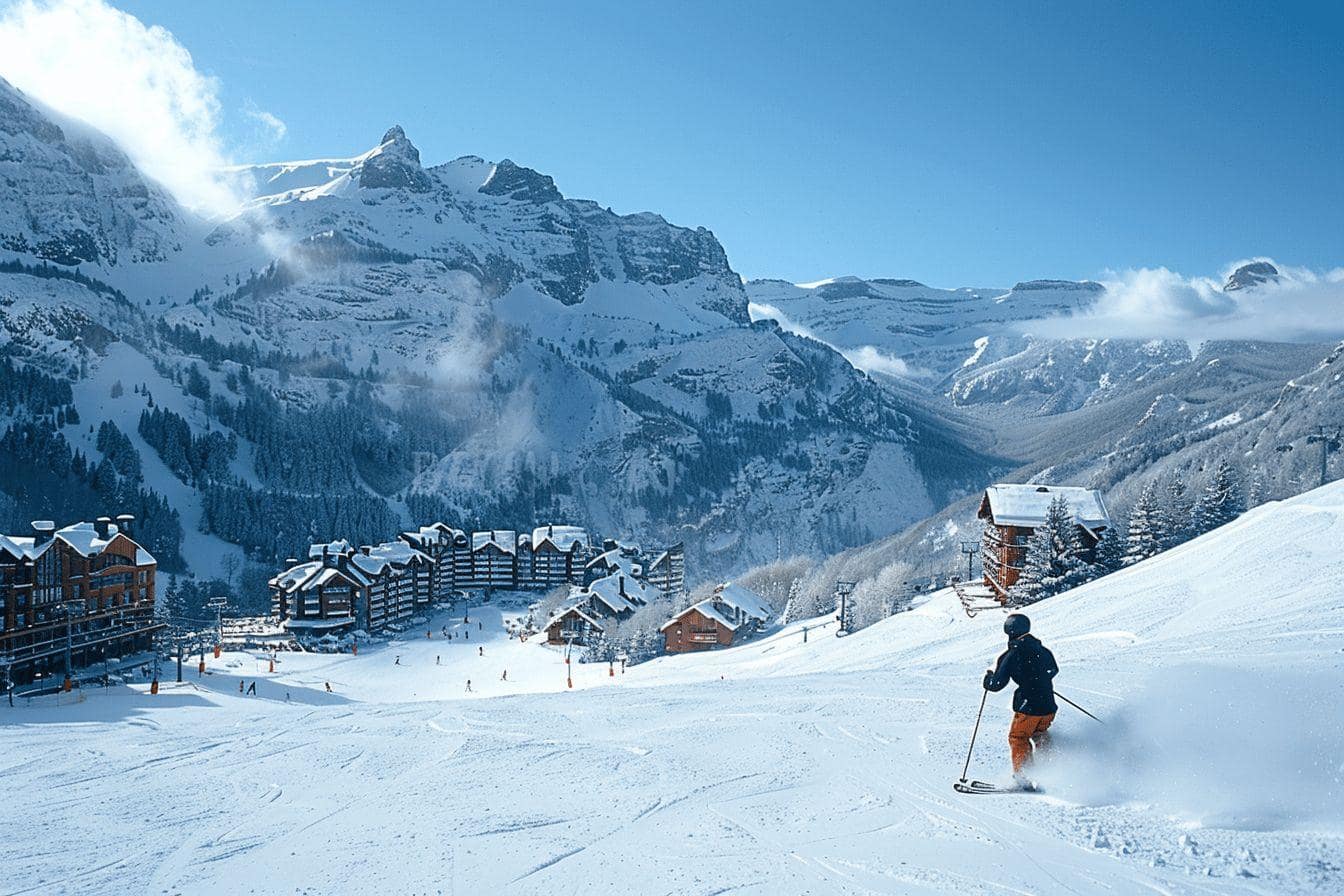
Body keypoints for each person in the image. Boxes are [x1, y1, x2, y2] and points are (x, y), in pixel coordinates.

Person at [983, 613, 1058, 784]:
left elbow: (996, 684)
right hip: (1048, 704)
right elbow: (1053, 670)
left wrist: (988, 680)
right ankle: (1052, 771)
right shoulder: (1043, 650)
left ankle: (1024, 776)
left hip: (1029, 706)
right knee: (1040, 734)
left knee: (1019, 737)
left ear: (1009, 631)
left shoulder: (1012, 654)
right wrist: (1037, 679)